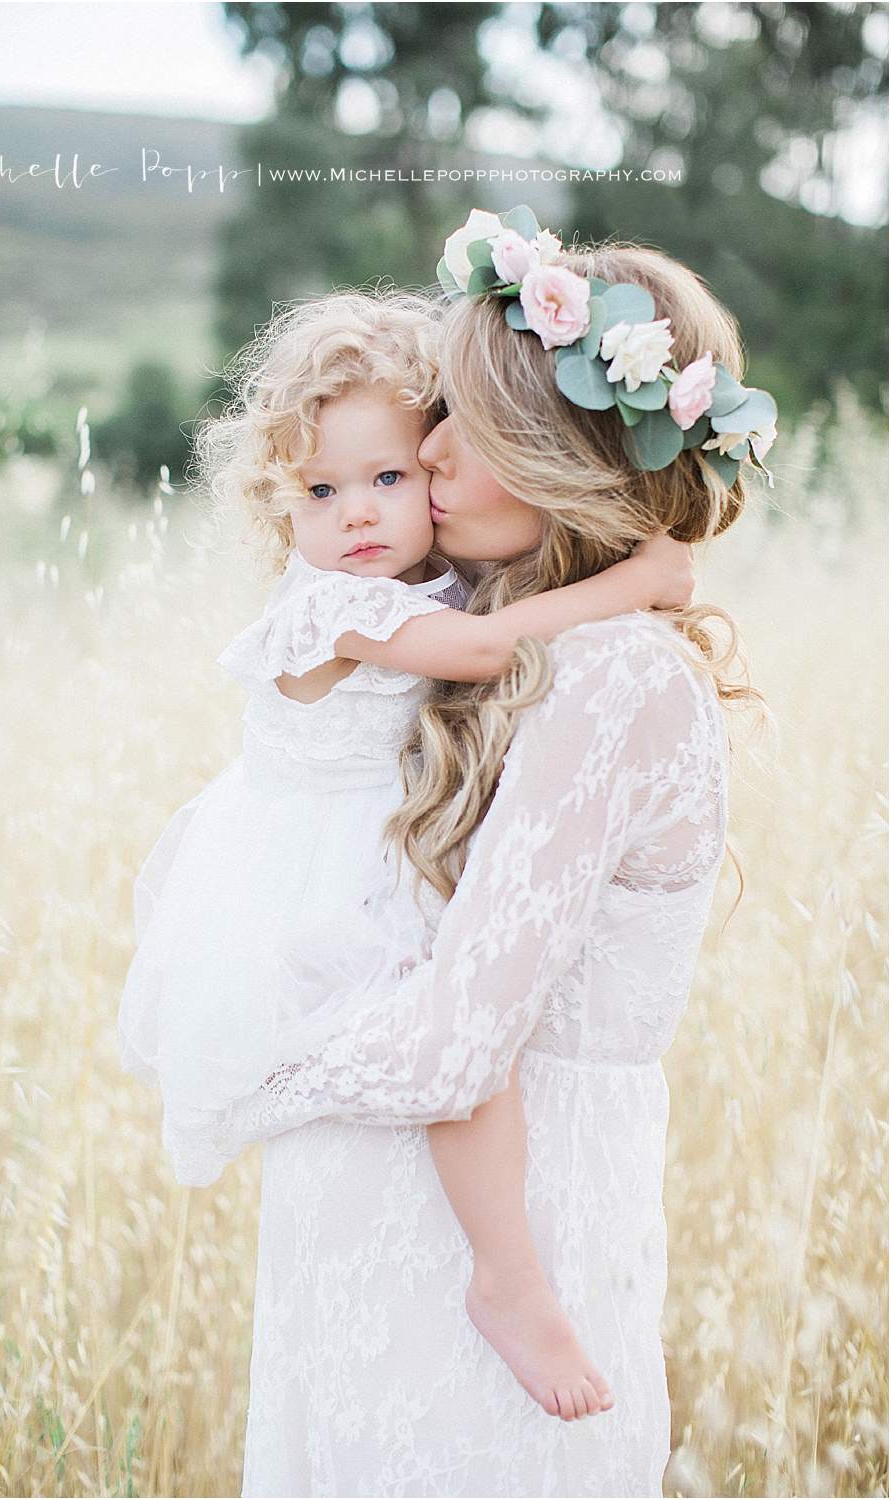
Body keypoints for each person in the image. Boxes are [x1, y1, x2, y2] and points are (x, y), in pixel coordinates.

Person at [209, 214, 768, 1494]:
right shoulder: (507, 642)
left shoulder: (614, 676)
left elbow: (455, 1045)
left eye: (467, 421)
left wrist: (249, 1070)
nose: (428, 454)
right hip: (380, 1240)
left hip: (502, 1269)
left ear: (565, 453)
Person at [118, 288, 693, 1422]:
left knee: (461, 1043)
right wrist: (639, 581)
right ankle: (507, 1276)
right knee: (455, 1054)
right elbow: (480, 649)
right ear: (279, 506)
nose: (361, 514)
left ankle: (504, 1266)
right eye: (320, 492)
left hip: (367, 845)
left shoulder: (406, 579)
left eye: (391, 477)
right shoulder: (328, 607)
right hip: (315, 875)